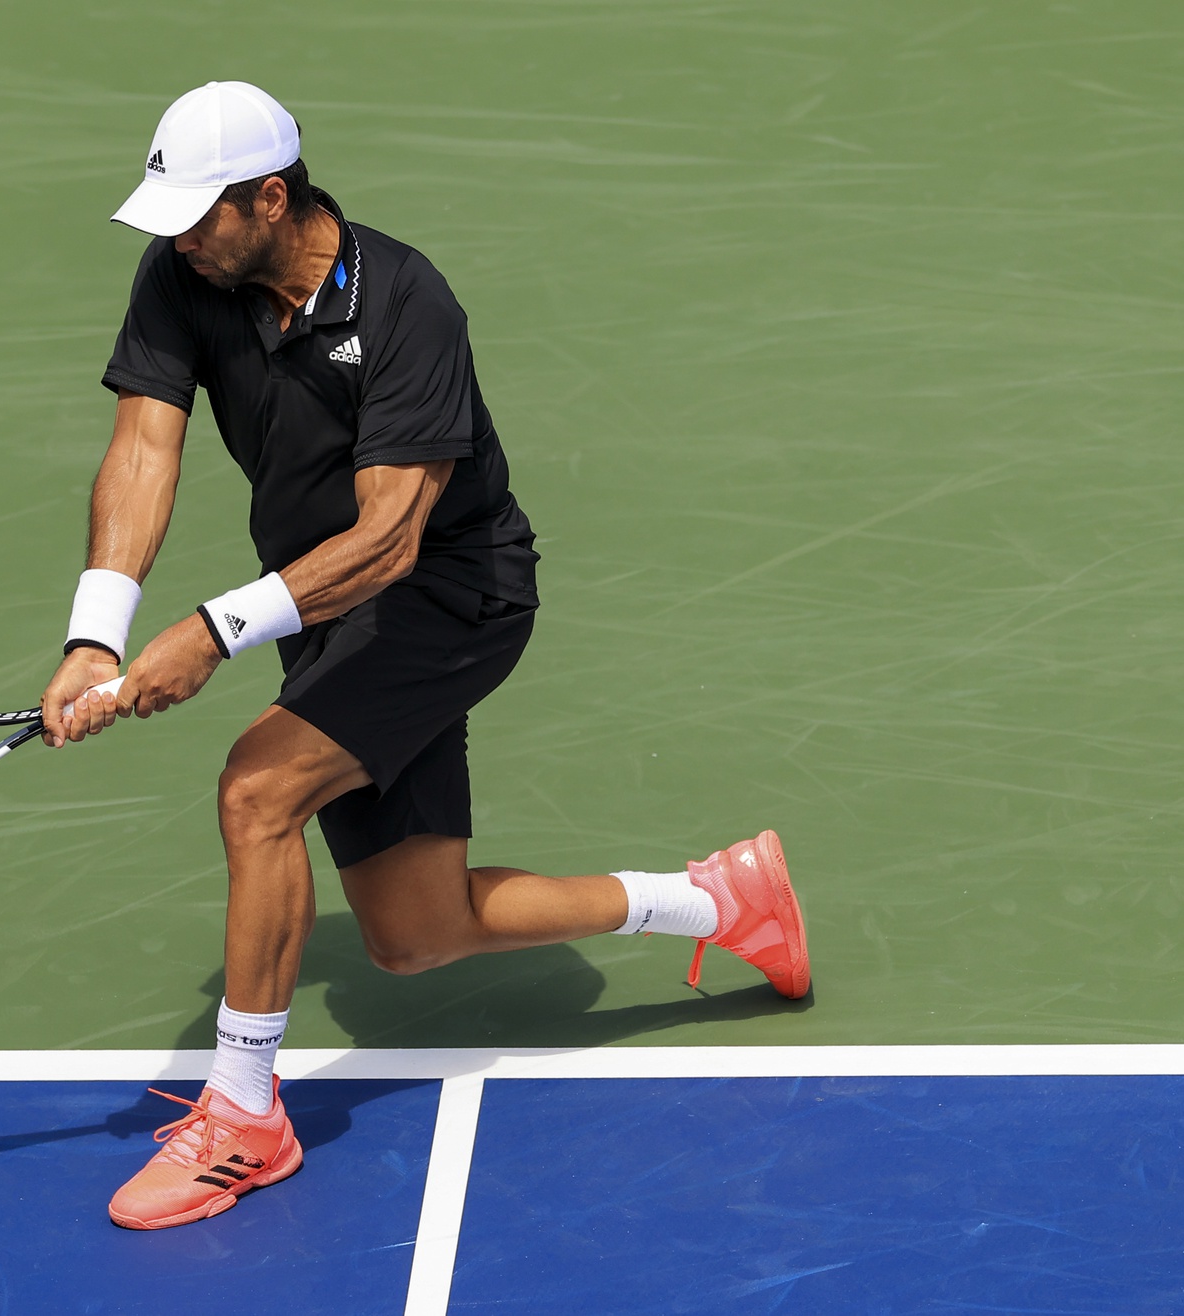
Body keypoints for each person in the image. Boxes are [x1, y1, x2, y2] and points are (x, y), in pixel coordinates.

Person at [39, 81, 809, 1232]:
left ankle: (244, 1114)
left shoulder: (407, 303)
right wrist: (96, 630)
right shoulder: (182, 274)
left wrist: (213, 631)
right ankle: (720, 901)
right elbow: (145, 447)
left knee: (257, 791)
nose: (180, 239)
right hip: (322, 605)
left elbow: (390, 539)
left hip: (451, 594)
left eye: (199, 215)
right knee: (415, 933)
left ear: (270, 198)